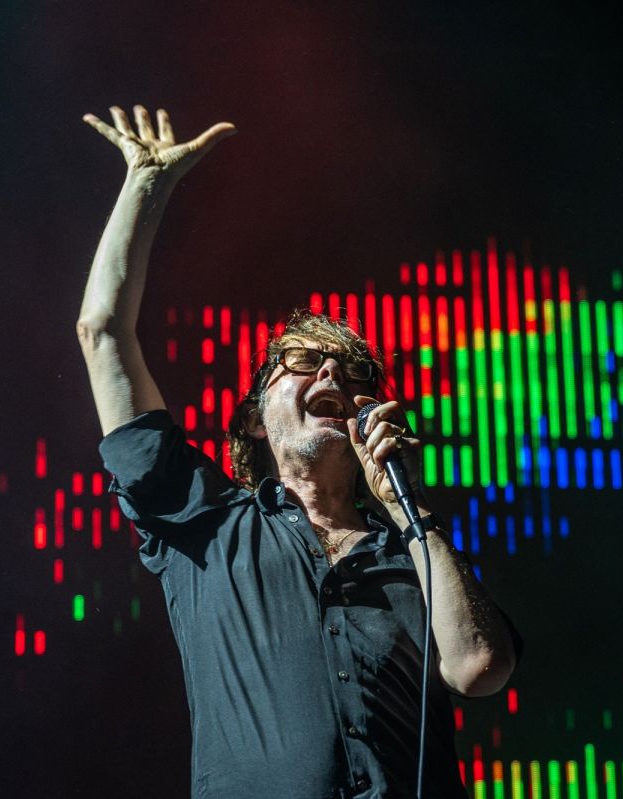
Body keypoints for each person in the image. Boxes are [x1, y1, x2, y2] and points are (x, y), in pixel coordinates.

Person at [77, 104, 522, 798]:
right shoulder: (208, 525)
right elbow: (103, 333)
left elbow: (479, 668)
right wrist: (145, 185)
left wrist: (410, 508)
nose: (330, 377)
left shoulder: (410, 552)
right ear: (255, 420)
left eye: (350, 374)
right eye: (303, 363)